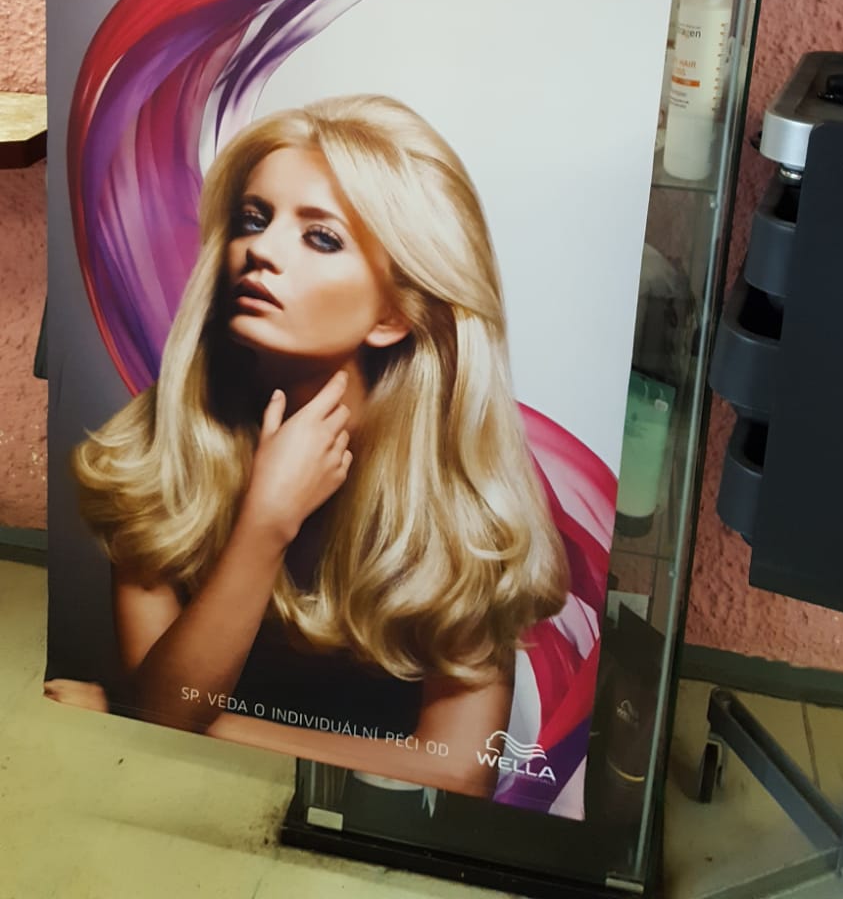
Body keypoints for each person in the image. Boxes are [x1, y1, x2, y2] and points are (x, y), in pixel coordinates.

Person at [68, 94, 569, 797]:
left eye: (321, 237)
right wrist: (264, 525)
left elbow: (460, 772)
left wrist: (144, 714)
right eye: (254, 219)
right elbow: (161, 719)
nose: (261, 250)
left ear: (393, 313)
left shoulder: (457, 489)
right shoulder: (156, 447)